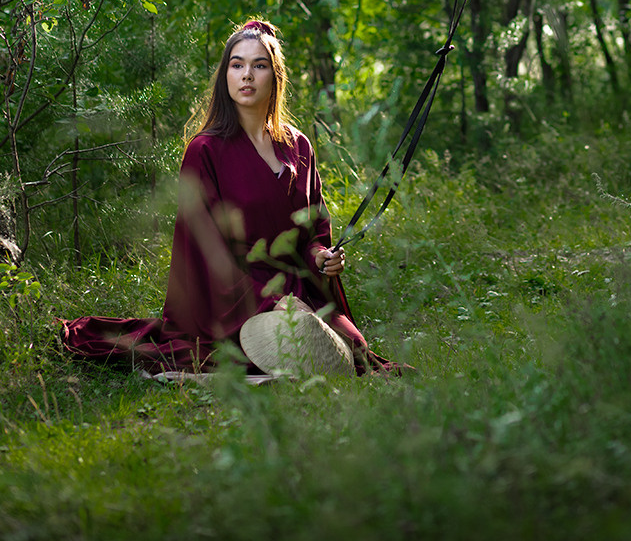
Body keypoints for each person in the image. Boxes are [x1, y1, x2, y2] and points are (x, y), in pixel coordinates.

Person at [61, 20, 398, 377]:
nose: (247, 75)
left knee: (355, 354)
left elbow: (314, 229)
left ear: (275, 76)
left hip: (299, 290)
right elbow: (203, 252)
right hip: (233, 298)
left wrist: (321, 258)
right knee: (257, 358)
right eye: (237, 65)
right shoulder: (205, 150)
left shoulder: (299, 146)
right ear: (226, 76)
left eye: (259, 65)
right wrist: (270, 300)